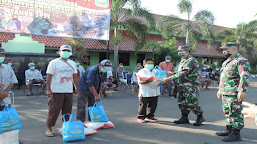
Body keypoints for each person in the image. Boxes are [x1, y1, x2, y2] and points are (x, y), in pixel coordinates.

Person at [216, 42, 250, 142]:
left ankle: (236, 133)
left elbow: (244, 75)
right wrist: (220, 89)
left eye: (226, 49)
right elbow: (223, 77)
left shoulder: (241, 60)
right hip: (226, 91)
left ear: (234, 49)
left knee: (235, 112)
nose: (224, 51)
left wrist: (242, 90)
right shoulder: (227, 62)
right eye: (223, 49)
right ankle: (229, 129)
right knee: (227, 111)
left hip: (234, 92)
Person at [162, 45, 205, 126]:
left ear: (187, 51)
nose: (179, 53)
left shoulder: (191, 60)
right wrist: (173, 74)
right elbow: (180, 72)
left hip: (191, 85)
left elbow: (183, 72)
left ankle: (200, 116)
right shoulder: (183, 60)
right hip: (182, 84)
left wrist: (169, 78)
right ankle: (184, 117)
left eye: (181, 51)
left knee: (191, 101)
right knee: (182, 102)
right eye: (178, 51)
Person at [45, 45, 79, 137]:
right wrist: (48, 89)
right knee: (53, 110)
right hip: (56, 91)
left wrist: (76, 88)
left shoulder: (72, 63)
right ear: (60, 51)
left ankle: (65, 127)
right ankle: (49, 128)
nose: (66, 52)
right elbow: (49, 77)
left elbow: (75, 77)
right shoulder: (54, 63)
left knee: (67, 110)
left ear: (71, 53)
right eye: (64, 50)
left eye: (68, 50)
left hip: (68, 91)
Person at [137, 58, 160, 123]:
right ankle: (141, 117)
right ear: (144, 64)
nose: (150, 65)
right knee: (143, 105)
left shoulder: (156, 71)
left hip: (155, 91)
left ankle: (150, 116)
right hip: (145, 91)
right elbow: (140, 82)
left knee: (153, 105)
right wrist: (148, 81)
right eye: (148, 63)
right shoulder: (142, 71)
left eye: (152, 63)